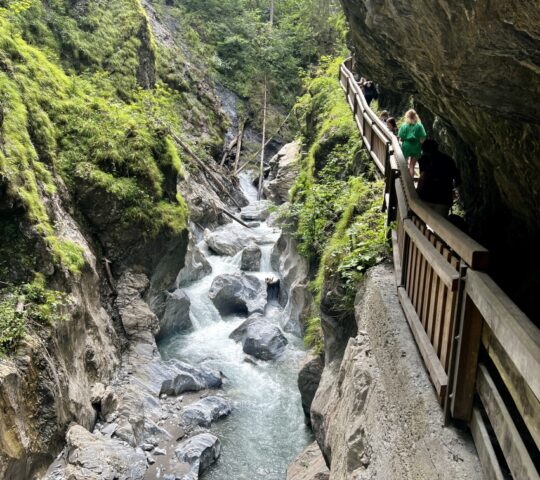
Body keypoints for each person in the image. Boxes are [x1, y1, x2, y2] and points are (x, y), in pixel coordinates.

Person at [416, 139, 461, 217]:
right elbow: (458, 180)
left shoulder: (424, 159)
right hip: (444, 199)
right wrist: (450, 189)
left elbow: (422, 177)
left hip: (426, 196)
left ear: (424, 149)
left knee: (420, 222)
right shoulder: (449, 160)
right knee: (440, 225)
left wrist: (417, 193)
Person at [398, 109, 426, 177]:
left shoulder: (404, 125)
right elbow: (423, 138)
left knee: (404, 164)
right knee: (412, 166)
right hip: (416, 146)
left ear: (407, 116)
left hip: (406, 145)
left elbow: (400, 138)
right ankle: (411, 183)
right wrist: (419, 143)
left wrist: (405, 140)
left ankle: (405, 179)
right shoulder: (419, 125)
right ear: (415, 116)